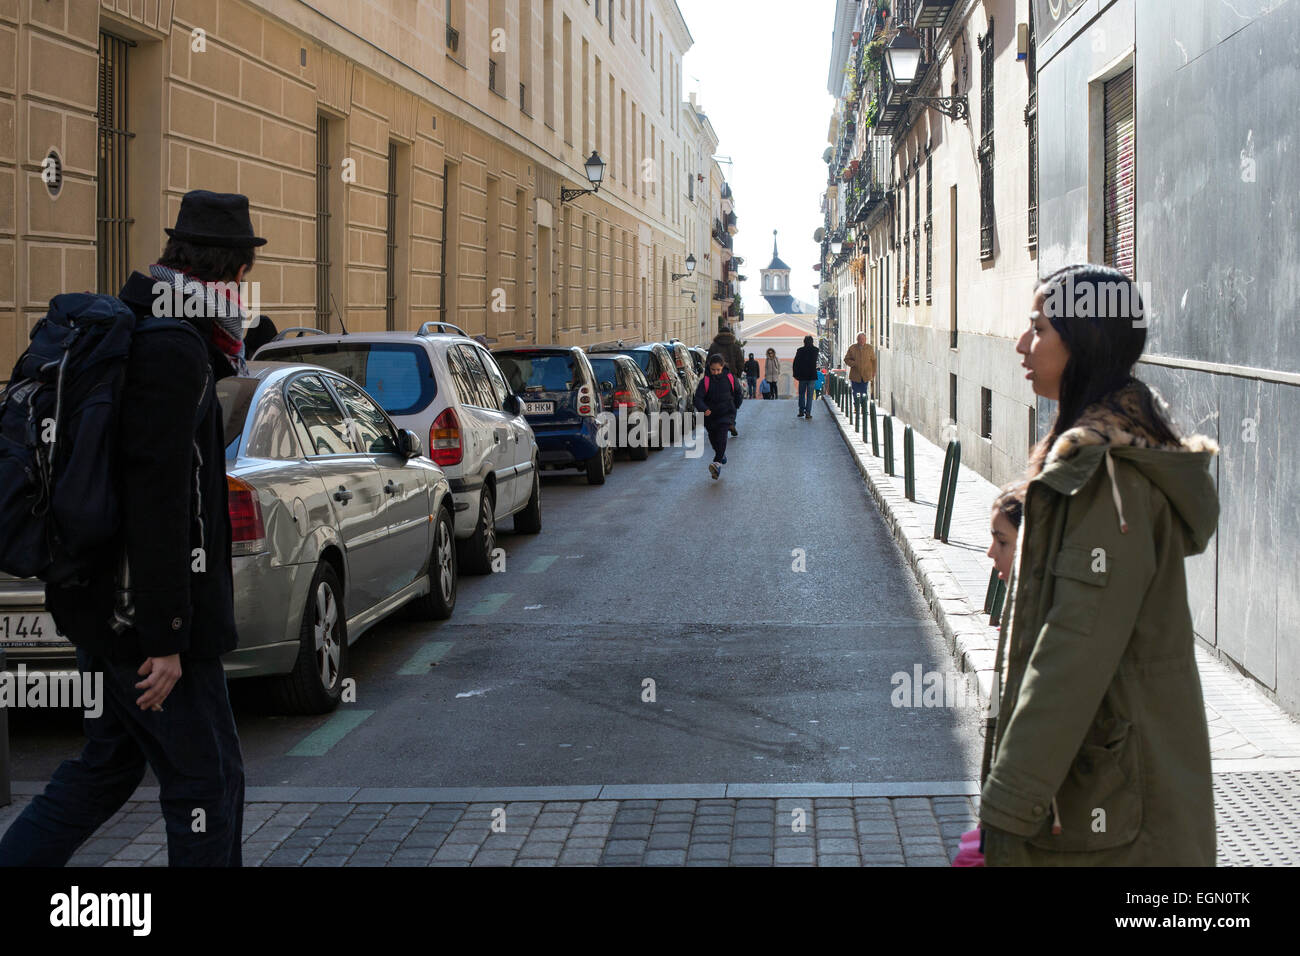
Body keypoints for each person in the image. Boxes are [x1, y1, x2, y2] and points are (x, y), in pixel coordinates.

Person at [0, 190, 252, 867]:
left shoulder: (144, 326)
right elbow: (161, 501)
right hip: (141, 620)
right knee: (209, 784)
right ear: (229, 273)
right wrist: (165, 635)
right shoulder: (174, 348)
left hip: (97, 598)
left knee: (107, 766)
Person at [979, 263, 1219, 867]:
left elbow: (1072, 652)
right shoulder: (1093, 460)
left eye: (1038, 328)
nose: (1021, 344)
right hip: (1095, 807)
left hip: (1110, 823)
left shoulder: (1106, 478)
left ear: (1082, 341)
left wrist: (1007, 809)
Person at [695, 353, 743, 480]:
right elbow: (698, 398)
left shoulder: (730, 378)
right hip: (710, 417)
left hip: (726, 413)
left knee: (722, 437)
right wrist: (704, 409)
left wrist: (735, 406)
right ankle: (721, 455)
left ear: (723, 367)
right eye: (713, 370)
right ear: (709, 368)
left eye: (718, 370)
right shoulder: (705, 381)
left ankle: (717, 464)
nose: (715, 372)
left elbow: (738, 392)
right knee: (714, 439)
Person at [792, 335, 820, 419]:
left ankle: (801, 411)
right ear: (812, 342)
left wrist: (795, 374)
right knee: (810, 395)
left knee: (801, 394)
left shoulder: (800, 351)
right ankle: (808, 412)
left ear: (804, 342)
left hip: (802, 376)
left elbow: (795, 363)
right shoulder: (815, 350)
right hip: (812, 376)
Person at [843, 332, 877, 401]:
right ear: (857, 339)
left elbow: (874, 360)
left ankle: (863, 406)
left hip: (866, 374)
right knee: (855, 392)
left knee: (863, 391)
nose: (862, 340)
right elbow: (846, 359)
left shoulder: (869, 348)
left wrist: (874, 371)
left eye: (863, 339)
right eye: (860, 339)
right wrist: (853, 363)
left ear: (865, 340)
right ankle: (856, 405)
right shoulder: (852, 348)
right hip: (855, 375)